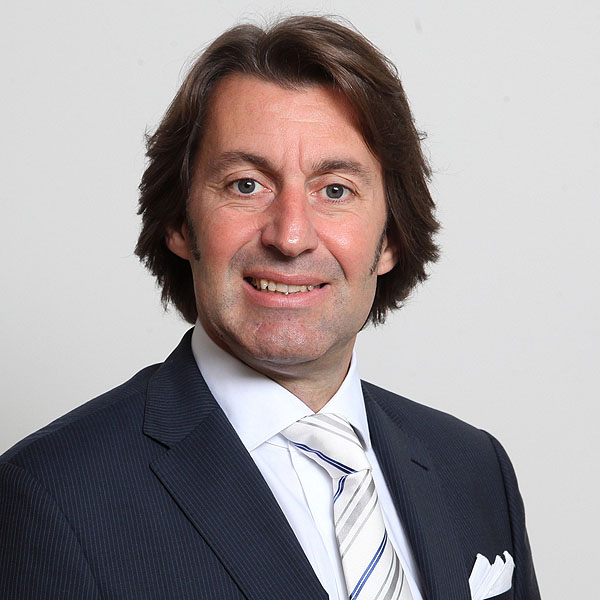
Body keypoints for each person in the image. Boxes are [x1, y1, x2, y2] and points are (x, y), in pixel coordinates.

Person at [0, 15, 540, 600]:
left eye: (335, 190)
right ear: (180, 222)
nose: (290, 235)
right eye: (246, 184)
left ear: (390, 238)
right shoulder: (51, 497)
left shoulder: (474, 469)